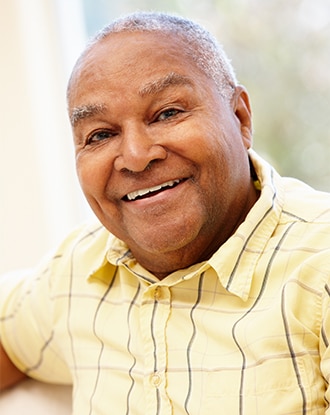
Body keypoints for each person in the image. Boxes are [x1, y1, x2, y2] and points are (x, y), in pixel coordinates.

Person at [1, 11, 330, 415]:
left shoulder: (320, 270)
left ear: (241, 118)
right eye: (100, 135)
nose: (136, 158)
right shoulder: (79, 269)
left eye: (168, 113)